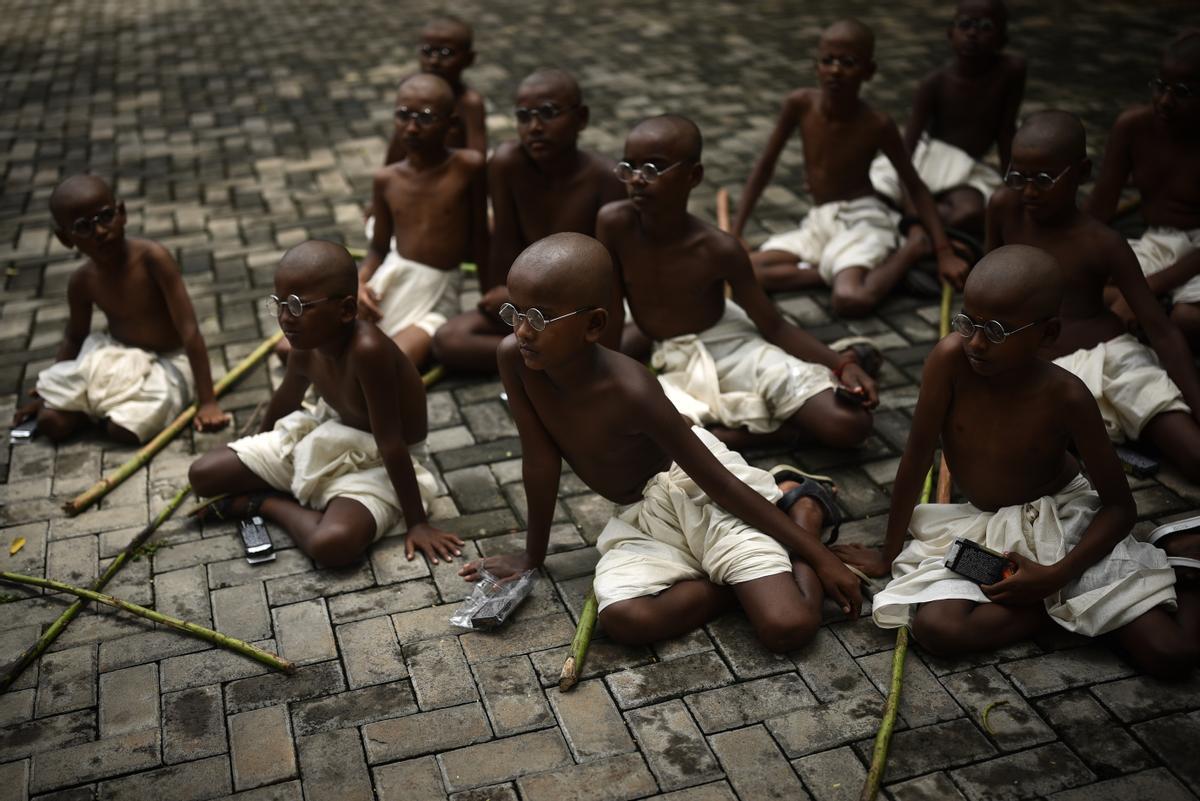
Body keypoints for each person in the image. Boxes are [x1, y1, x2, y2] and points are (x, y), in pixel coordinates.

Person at [458, 233, 863, 651]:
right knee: (626, 620)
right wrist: (532, 556)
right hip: (642, 518)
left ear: (594, 324)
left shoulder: (632, 389)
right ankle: (740, 584)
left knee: (788, 627)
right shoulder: (515, 360)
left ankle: (804, 512)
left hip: (701, 499)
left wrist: (821, 559)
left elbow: (718, 483)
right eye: (514, 312)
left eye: (540, 318)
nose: (522, 331)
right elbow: (540, 461)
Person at [838, 246, 1196, 679]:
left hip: (1063, 524)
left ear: (1047, 334)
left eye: (997, 331)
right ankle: (1079, 609)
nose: (975, 342)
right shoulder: (950, 360)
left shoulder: (1067, 395)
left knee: (1170, 653)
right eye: (967, 322)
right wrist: (886, 552)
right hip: (985, 528)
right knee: (938, 628)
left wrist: (1054, 575)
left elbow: (1121, 509)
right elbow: (916, 459)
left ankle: (1176, 558)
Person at [598, 114, 877, 453]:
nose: (638, 180)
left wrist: (841, 365)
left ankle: (831, 373)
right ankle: (779, 434)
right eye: (629, 167)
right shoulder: (614, 223)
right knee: (628, 434)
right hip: (671, 354)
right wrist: (605, 383)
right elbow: (612, 313)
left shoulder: (718, 248)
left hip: (733, 347)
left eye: (654, 169)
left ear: (693, 176)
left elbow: (773, 325)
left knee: (851, 425)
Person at [189, 241, 460, 568]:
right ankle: (298, 496)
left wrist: (417, 523)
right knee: (203, 474)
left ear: (346, 310)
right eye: (280, 304)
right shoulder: (304, 343)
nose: (285, 319)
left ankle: (265, 504)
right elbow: (286, 400)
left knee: (331, 545)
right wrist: (254, 454)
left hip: (377, 464)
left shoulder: (368, 350)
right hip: (325, 436)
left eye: (298, 307)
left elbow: (391, 443)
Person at [987, 110, 1200, 483]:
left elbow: (1161, 330)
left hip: (1114, 359)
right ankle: (1103, 439)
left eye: (1044, 179)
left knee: (1194, 457)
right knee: (1018, 461)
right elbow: (984, 297)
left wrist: (1197, 405)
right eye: (1017, 177)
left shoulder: (1102, 242)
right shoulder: (1004, 209)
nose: (1029, 192)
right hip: (1040, 368)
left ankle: (1123, 433)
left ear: (1082, 173)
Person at [731, 19, 970, 313]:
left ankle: (910, 250)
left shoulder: (877, 123)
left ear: (868, 72)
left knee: (849, 299)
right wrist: (735, 232)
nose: (835, 70)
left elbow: (914, 186)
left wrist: (943, 251)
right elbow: (764, 168)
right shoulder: (799, 104)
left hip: (863, 220)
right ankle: (836, 268)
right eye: (827, 61)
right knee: (746, 271)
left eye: (848, 62)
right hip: (821, 219)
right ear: (816, 65)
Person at [432, 68, 625, 372]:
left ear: (582, 118)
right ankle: (550, 358)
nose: (534, 127)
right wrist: (504, 295)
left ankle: (543, 359)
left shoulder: (605, 178)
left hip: (573, 313)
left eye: (548, 113)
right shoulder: (507, 164)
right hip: (524, 305)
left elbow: (607, 274)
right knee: (448, 340)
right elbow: (504, 240)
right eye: (524, 116)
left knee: (635, 336)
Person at [14, 175, 228, 443]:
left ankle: (101, 413)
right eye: (83, 227)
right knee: (50, 422)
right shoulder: (82, 281)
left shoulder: (153, 258)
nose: (101, 232)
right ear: (65, 238)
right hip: (116, 355)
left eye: (105, 217)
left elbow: (189, 331)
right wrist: (53, 391)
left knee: (124, 430)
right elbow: (74, 337)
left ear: (122, 213)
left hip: (168, 361)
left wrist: (207, 401)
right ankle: (91, 411)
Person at [868, 0, 1025, 278]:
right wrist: (910, 203)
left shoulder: (1011, 72)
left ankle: (921, 236)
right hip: (926, 161)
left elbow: (1005, 130)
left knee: (971, 212)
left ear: (1003, 38)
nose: (973, 34)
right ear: (950, 33)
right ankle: (921, 235)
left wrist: (1012, 186)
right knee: (877, 195)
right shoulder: (935, 83)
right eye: (965, 25)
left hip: (965, 169)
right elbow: (907, 149)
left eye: (985, 27)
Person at [357, 73, 488, 369]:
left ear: (451, 124)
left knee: (390, 365)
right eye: (403, 116)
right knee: (291, 348)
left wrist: (489, 298)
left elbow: (482, 239)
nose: (412, 128)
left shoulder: (467, 167)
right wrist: (360, 281)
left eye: (426, 118)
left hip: (438, 293)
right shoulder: (386, 179)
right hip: (392, 278)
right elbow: (378, 249)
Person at [1088, 30, 1200, 351]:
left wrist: (1145, 289)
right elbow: (1099, 211)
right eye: (1160, 87)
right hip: (1156, 242)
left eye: (1183, 92)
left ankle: (1156, 324)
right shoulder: (1133, 127)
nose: (1165, 101)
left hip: (1197, 254)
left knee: (1189, 320)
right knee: (1073, 287)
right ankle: (1153, 322)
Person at [381, 15, 487, 164]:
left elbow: (477, 159)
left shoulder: (469, 102)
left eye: (446, 53)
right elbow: (398, 143)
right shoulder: (411, 89)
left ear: (469, 59)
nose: (434, 61)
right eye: (427, 51)